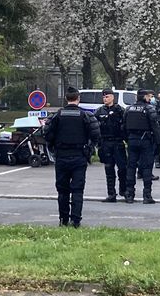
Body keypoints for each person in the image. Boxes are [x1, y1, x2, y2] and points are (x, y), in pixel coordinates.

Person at [43, 86, 100, 228]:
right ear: (78, 99)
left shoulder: (56, 116)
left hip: (61, 156)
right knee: (77, 190)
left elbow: (47, 134)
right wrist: (90, 148)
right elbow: (96, 134)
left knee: (62, 190)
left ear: (66, 99)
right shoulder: (86, 115)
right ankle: (76, 221)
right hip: (79, 156)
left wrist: (53, 147)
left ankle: (63, 220)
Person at [123, 89, 160, 204]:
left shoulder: (128, 109)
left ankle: (129, 194)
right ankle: (147, 195)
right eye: (149, 97)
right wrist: (158, 143)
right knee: (147, 167)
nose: (150, 99)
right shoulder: (149, 109)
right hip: (145, 140)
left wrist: (128, 139)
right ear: (144, 97)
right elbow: (155, 127)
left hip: (132, 140)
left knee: (131, 167)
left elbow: (123, 126)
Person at [95, 89, 127, 202]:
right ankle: (111, 194)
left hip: (118, 142)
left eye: (107, 97)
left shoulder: (120, 110)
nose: (105, 99)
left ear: (113, 97)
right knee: (109, 169)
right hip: (105, 143)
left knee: (123, 168)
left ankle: (124, 190)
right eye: (104, 97)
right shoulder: (99, 111)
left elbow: (125, 126)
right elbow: (95, 128)